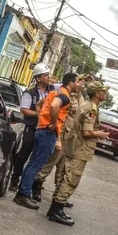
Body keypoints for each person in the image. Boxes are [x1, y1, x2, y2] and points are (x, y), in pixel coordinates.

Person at [13, 73, 79, 210]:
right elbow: (55, 106)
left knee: (32, 164)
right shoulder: (64, 96)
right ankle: (23, 194)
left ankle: (22, 191)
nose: (80, 85)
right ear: (71, 83)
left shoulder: (55, 91)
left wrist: (42, 119)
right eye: (78, 82)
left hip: (41, 130)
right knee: (36, 165)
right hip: (48, 133)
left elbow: (39, 104)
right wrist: (53, 123)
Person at [48, 81, 109, 226]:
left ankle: (54, 209)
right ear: (97, 94)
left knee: (65, 176)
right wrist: (99, 134)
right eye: (103, 91)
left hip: (74, 146)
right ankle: (57, 210)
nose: (105, 94)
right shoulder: (91, 108)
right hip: (80, 148)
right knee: (71, 179)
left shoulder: (86, 105)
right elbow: (86, 132)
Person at [31, 74, 90, 205]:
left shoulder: (81, 98)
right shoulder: (63, 93)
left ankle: (59, 196)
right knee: (49, 163)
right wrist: (46, 124)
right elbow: (43, 105)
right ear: (74, 82)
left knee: (64, 168)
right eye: (80, 81)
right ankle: (36, 187)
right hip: (60, 135)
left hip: (71, 138)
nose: (83, 84)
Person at [9, 63, 56, 192]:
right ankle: (14, 180)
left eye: (48, 75)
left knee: (36, 159)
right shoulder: (30, 92)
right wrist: (40, 115)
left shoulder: (52, 90)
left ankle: (27, 184)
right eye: (46, 75)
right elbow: (24, 110)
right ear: (38, 78)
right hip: (32, 128)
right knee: (23, 155)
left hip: (44, 130)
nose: (48, 77)